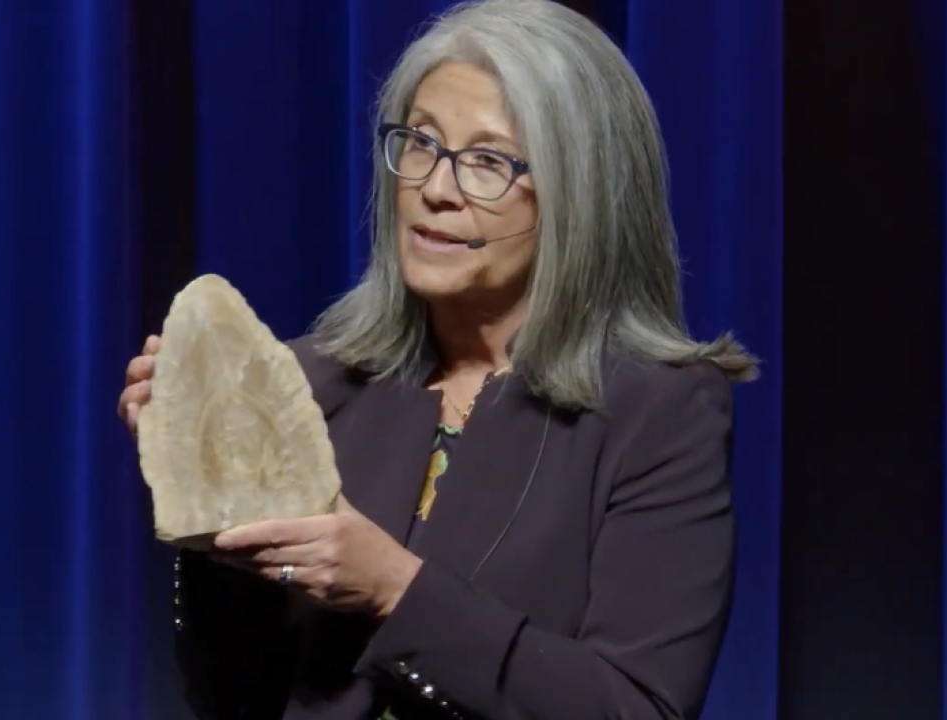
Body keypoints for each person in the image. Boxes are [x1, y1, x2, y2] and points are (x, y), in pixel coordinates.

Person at [118, 0, 758, 717]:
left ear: (583, 195)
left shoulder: (658, 413)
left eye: (487, 160)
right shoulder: (311, 386)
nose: (435, 188)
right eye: (419, 143)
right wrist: (209, 499)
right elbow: (234, 696)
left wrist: (396, 588)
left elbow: (639, 708)